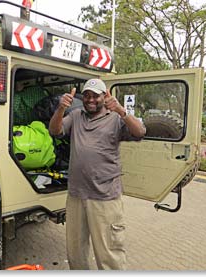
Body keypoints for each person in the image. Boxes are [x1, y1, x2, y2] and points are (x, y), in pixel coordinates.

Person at [49, 78, 146, 270]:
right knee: (75, 252)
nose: (91, 100)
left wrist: (121, 111)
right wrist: (61, 108)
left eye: (95, 96)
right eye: (86, 96)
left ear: (105, 97)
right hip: (76, 196)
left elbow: (140, 132)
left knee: (109, 254)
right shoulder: (76, 115)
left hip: (104, 197)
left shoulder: (116, 118)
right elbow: (55, 130)